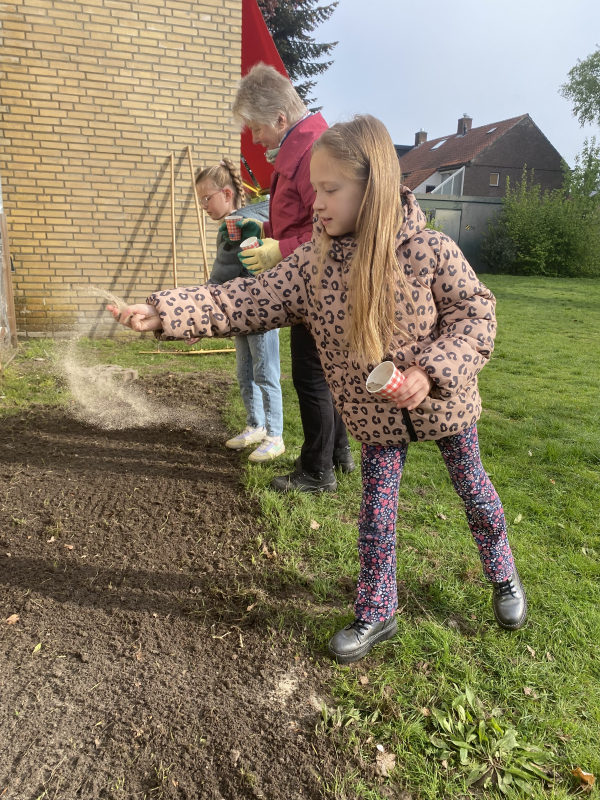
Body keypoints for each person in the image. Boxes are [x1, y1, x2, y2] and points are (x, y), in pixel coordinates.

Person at [108, 114, 527, 665]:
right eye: (316, 189)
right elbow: (242, 301)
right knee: (377, 514)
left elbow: (476, 315)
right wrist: (163, 312)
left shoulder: (431, 251)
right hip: (376, 419)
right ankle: (378, 611)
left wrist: (430, 372)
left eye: (331, 189)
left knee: (474, 490)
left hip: (444, 404)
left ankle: (504, 579)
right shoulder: (314, 263)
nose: (317, 203)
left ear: (372, 188)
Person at [228, 63, 355, 493]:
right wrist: (263, 233)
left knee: (311, 375)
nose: (256, 138)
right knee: (328, 372)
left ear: (281, 118)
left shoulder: (311, 153)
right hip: (315, 278)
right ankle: (339, 453)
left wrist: (278, 249)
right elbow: (298, 218)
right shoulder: (302, 148)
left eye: (257, 128)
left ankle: (317, 472)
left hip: (321, 283)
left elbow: (330, 228)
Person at [195, 158, 284, 463]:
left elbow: (274, 217)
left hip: (261, 312)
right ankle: (255, 426)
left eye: (207, 199)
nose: (204, 206)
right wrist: (197, 320)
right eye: (201, 200)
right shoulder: (227, 230)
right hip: (239, 315)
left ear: (227, 194)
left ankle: (275, 435)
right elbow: (219, 278)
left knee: (266, 371)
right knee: (245, 372)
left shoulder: (249, 220)